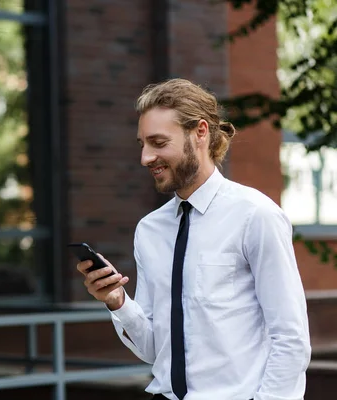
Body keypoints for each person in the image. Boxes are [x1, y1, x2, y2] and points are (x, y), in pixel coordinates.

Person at [76, 78, 311, 400]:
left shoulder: (255, 215)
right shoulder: (150, 229)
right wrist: (117, 301)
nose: (146, 157)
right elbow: (154, 349)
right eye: (142, 144)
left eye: (158, 143)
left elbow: (291, 337)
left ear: (200, 132)